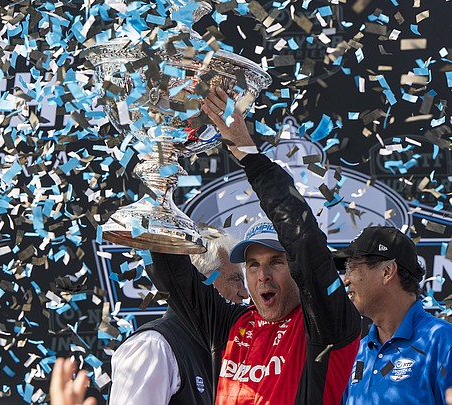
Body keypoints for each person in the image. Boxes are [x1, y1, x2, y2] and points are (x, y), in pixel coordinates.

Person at [147, 88, 361, 404]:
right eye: (252, 264)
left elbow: (304, 239)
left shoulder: (325, 321)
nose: (262, 276)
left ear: (297, 270)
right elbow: (176, 281)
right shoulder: (231, 324)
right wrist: (160, 203)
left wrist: (248, 153)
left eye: (276, 261)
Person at [334, 226, 452, 404]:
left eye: (352, 267)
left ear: (387, 271)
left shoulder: (442, 341)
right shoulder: (358, 352)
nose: (345, 279)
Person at [108, 233, 249, 404]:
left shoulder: (224, 353)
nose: (245, 293)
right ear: (202, 280)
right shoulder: (153, 345)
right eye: (235, 280)